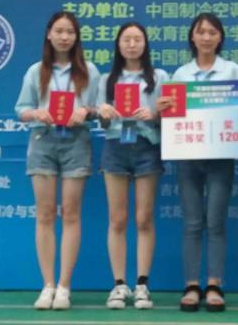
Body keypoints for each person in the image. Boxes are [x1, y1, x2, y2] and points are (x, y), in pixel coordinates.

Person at [160, 12, 238, 312]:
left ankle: (214, 284)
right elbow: (171, 118)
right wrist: (164, 109)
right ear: (192, 37)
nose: (206, 37)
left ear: (220, 37)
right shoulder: (181, 74)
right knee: (193, 223)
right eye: (201, 32)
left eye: (212, 32)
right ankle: (192, 285)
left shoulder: (233, 70)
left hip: (221, 158)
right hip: (188, 157)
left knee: (216, 222)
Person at [15, 11, 100, 310]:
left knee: (72, 214)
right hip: (43, 140)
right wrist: (36, 113)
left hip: (76, 141)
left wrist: (86, 111)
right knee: (45, 214)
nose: (64, 37)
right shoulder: (36, 70)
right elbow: (21, 109)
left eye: (70, 32)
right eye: (59, 31)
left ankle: (64, 286)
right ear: (49, 34)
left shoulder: (89, 70)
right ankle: (47, 285)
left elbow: (100, 108)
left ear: (77, 37)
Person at [95, 22, 169, 310]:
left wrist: (154, 114)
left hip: (147, 147)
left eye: (137, 39)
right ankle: (118, 284)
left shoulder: (160, 77)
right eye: (126, 39)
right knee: (117, 219)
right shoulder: (106, 80)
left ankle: (142, 285)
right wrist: (103, 113)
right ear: (118, 44)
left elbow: (172, 114)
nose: (132, 44)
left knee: (144, 218)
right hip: (115, 148)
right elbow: (102, 123)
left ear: (145, 44)